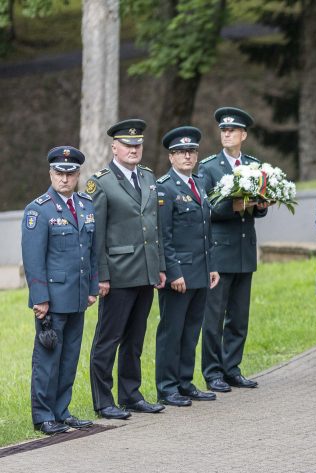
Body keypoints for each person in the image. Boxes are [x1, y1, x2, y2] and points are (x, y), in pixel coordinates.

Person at [87, 119, 166, 420]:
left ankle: (131, 395)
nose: (134, 150)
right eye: (128, 145)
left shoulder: (147, 177)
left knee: (135, 338)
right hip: (118, 274)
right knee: (109, 338)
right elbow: (97, 235)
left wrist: (159, 266)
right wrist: (101, 275)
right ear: (114, 147)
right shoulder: (101, 182)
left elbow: (153, 228)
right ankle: (104, 400)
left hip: (145, 271)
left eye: (138, 145)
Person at [22, 146, 97, 435]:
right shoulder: (37, 210)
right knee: (47, 360)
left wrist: (92, 288)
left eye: (70, 173)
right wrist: (39, 298)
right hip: (51, 300)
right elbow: (33, 259)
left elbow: (90, 251)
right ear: (50, 173)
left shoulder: (85, 205)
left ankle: (61, 411)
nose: (64, 179)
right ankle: (43, 416)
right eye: (58, 173)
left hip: (77, 297)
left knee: (69, 359)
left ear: (78, 175)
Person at [199, 107, 267, 393]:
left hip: (244, 250)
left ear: (243, 135)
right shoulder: (209, 167)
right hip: (220, 250)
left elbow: (257, 208)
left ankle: (232, 368)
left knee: (239, 317)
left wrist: (261, 206)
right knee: (213, 318)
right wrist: (235, 206)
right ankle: (213, 372)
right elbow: (207, 210)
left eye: (232, 131)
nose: (227, 134)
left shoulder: (253, 164)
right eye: (223, 130)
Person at [154, 127, 220, 407]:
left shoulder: (198, 183)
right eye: (181, 152)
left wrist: (212, 266)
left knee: (192, 330)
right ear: (171, 156)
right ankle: (167, 388)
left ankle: (184, 381)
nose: (188, 156)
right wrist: (173, 273)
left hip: (201, 270)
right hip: (179, 273)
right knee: (172, 331)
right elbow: (163, 236)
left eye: (192, 151)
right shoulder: (165, 188)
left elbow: (206, 230)